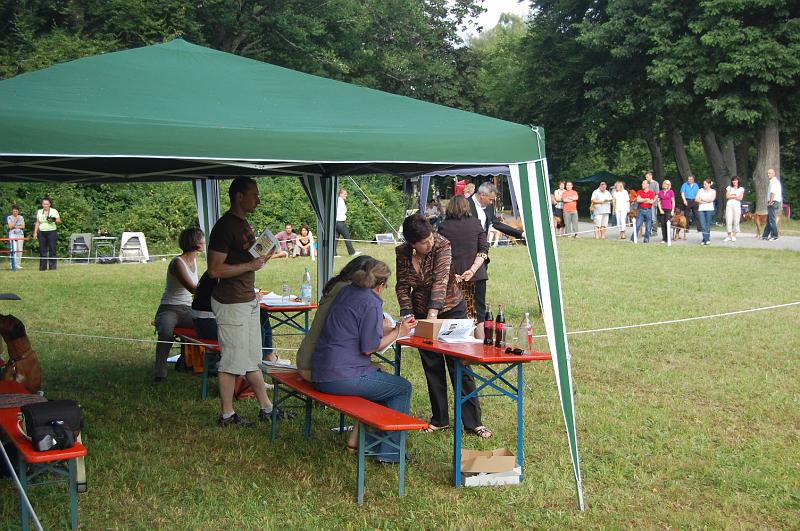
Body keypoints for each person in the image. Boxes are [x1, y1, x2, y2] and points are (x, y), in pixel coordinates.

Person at [395, 214, 492, 438]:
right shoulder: (402, 253)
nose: (429, 243)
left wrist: (433, 316)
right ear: (411, 244)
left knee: (460, 366)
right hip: (421, 312)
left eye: (430, 238)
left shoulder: (443, 244)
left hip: (450, 308)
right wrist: (408, 314)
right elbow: (402, 286)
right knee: (432, 366)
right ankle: (440, 418)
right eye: (423, 242)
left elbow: (440, 282)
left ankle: (473, 421)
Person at [311, 260, 415, 463]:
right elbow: (369, 346)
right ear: (381, 285)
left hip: (321, 370)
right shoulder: (371, 301)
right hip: (340, 376)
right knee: (402, 387)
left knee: (382, 380)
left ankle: (368, 442)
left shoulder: (346, 291)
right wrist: (397, 332)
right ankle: (390, 454)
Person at [206, 177, 275, 427]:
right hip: (230, 302)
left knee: (250, 357)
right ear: (239, 197)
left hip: (246, 299)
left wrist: (261, 256)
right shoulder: (225, 227)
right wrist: (249, 264)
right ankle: (227, 414)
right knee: (231, 360)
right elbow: (214, 270)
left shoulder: (243, 224)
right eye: (254, 194)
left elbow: (245, 259)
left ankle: (267, 408)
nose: (258, 199)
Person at [153, 227, 204, 382]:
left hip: (188, 309)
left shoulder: (194, 260)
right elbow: (193, 289)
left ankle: (202, 364)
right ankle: (160, 372)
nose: (204, 241)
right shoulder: (177, 262)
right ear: (195, 242)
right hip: (170, 308)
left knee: (207, 326)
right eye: (202, 239)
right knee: (167, 332)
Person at [437, 195, 489, 339]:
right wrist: (472, 270)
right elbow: (483, 250)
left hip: (453, 277)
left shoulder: (443, 226)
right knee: (478, 315)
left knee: (458, 315)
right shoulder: (476, 223)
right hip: (476, 275)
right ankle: (480, 350)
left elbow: (440, 254)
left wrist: (452, 274)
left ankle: (462, 351)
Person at [32, 197, 61, 271]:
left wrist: (53, 220)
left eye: (47, 204)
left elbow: (59, 221)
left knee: (52, 250)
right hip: (42, 233)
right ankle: (42, 268)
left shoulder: (54, 211)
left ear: (50, 204)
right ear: (42, 204)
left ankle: (52, 267)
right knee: (42, 250)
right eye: (44, 204)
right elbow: (37, 222)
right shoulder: (39, 211)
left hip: (52, 232)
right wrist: (35, 232)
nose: (45, 205)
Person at [335, 188, 359, 257]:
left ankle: (334, 254)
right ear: (340, 194)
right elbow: (337, 212)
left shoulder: (339, 200)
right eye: (345, 194)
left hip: (337, 222)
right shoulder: (340, 201)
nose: (346, 195)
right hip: (339, 222)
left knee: (336, 238)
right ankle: (352, 252)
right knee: (347, 236)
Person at [762, 168, 783, 241]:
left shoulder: (773, 182)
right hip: (774, 201)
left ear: (774, 174)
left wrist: (770, 202)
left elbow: (772, 193)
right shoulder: (774, 181)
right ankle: (765, 235)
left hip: (773, 201)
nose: (768, 174)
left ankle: (774, 236)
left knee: (771, 220)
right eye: (768, 173)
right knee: (769, 219)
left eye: (770, 173)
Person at [696, 179, 716, 245]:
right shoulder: (700, 190)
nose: (704, 185)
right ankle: (705, 239)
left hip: (709, 209)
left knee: (707, 225)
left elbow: (711, 200)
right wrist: (705, 201)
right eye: (704, 184)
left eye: (705, 184)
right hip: (701, 209)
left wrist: (701, 199)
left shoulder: (713, 191)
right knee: (703, 225)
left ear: (709, 184)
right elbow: (696, 199)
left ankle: (706, 239)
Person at [724, 176, 745, 242]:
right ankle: (729, 235)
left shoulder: (741, 189)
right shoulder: (729, 188)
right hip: (729, 205)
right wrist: (735, 196)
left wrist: (733, 196)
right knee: (728, 219)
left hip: (737, 205)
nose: (734, 182)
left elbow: (740, 198)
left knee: (736, 220)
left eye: (736, 180)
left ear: (738, 181)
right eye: (733, 180)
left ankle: (734, 235)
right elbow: (727, 196)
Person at [6, 205, 25, 270]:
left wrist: (15, 226)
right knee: (13, 249)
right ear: (12, 211)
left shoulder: (21, 217)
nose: (15, 212)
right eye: (14, 211)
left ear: (18, 211)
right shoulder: (9, 217)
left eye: (16, 211)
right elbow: (10, 227)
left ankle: (18, 264)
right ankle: (12, 264)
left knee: (19, 250)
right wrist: (16, 219)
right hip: (12, 235)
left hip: (20, 235)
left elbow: (23, 226)